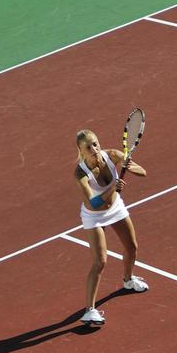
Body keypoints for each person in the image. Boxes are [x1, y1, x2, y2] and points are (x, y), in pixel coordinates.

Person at [75, 128, 149, 325]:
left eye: (95, 144)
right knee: (100, 261)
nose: (93, 149)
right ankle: (89, 310)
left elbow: (143, 172)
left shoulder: (114, 155)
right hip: (93, 216)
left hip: (116, 208)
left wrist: (129, 166)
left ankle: (128, 280)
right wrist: (113, 188)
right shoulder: (80, 172)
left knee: (132, 247)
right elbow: (94, 203)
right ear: (81, 151)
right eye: (88, 147)